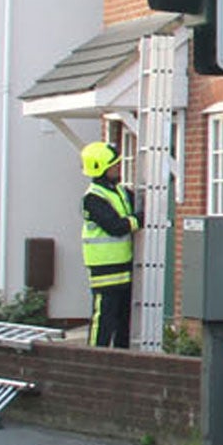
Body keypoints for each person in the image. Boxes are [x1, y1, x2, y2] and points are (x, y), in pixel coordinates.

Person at [79, 140, 139, 349]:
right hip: (104, 269)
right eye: (114, 165)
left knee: (124, 320)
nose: (118, 168)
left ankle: (122, 358)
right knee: (104, 318)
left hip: (125, 266)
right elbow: (115, 226)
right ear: (101, 168)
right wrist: (138, 220)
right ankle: (94, 357)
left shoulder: (120, 192)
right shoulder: (93, 198)